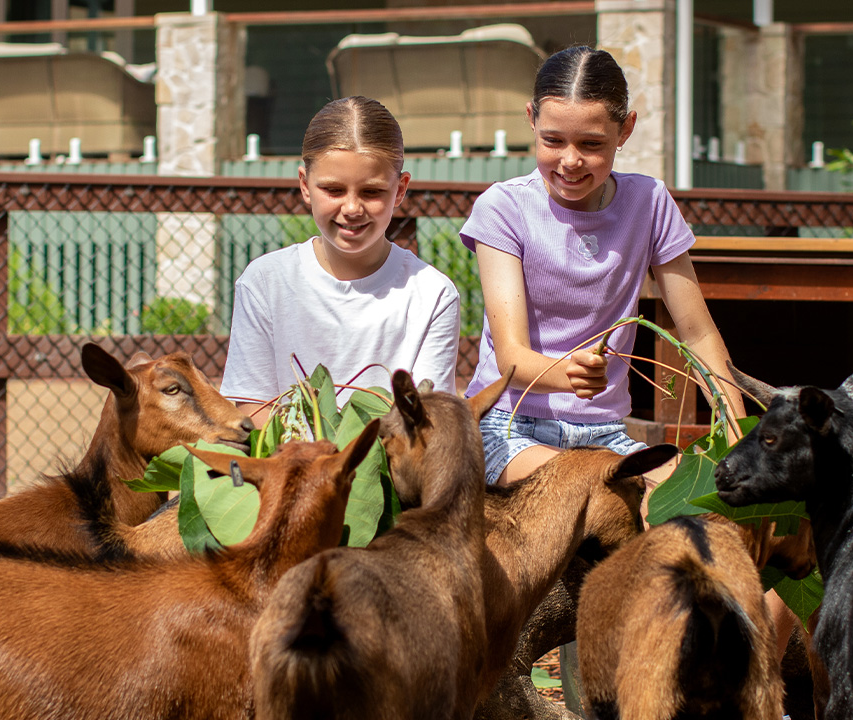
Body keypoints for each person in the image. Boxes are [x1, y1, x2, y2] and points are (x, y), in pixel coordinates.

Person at [460, 45, 746, 487]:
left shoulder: (649, 202)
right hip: (508, 426)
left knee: (688, 496)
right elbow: (510, 358)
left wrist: (735, 428)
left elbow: (699, 334)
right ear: (532, 119)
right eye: (552, 140)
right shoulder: (504, 207)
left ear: (625, 129)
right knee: (595, 489)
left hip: (606, 436)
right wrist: (566, 373)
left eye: (591, 144)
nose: (570, 160)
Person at [221, 96, 461, 424]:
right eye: (333, 190)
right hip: (289, 466)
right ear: (305, 185)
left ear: (400, 189)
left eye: (372, 192)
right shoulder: (265, 281)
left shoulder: (432, 294)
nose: (351, 208)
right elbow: (255, 413)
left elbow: (424, 422)